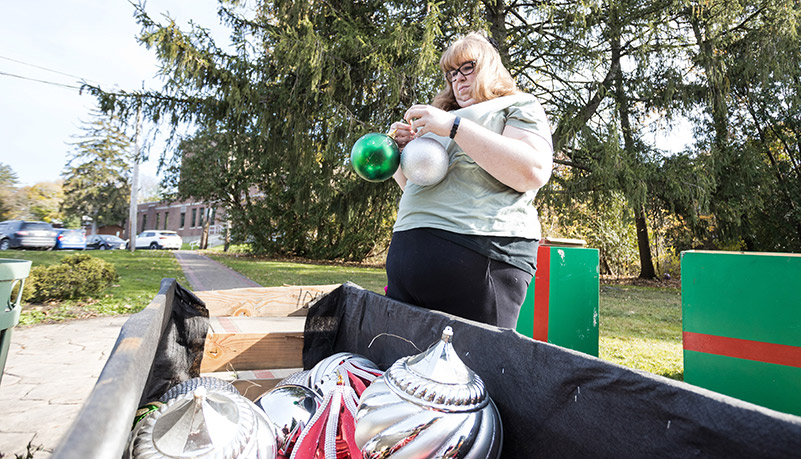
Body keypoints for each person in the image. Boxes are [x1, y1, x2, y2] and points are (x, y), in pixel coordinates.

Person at [385, 31, 553, 328]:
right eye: (451, 72)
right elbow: (417, 190)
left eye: (468, 68)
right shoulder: (444, 119)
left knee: (479, 369)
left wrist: (453, 126)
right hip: (409, 254)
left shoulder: (517, 105)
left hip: (482, 254)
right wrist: (402, 154)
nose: (458, 79)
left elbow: (532, 171)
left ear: (491, 68)